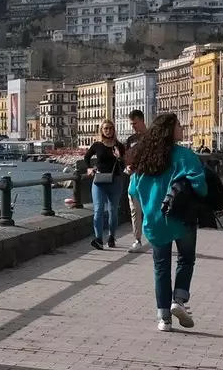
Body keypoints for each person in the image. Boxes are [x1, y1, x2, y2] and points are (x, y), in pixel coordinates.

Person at [125, 113, 210, 331]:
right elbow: (200, 187)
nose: (182, 129)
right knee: (185, 259)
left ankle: (164, 318)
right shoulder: (185, 156)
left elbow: (132, 189)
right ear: (170, 130)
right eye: (179, 126)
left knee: (161, 266)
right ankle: (178, 301)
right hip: (181, 216)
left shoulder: (143, 156)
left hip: (155, 219)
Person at [83, 120, 124, 249]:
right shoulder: (97, 145)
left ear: (114, 130)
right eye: (105, 128)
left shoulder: (119, 146)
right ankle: (99, 239)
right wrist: (89, 168)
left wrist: (119, 157)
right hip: (99, 180)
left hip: (115, 180)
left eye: (110, 128)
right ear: (101, 130)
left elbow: (123, 166)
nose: (108, 130)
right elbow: (86, 157)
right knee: (98, 210)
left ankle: (111, 237)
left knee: (113, 211)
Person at [123, 110, 151, 250]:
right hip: (134, 178)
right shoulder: (131, 140)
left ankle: (153, 237)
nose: (133, 126)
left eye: (135, 123)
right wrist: (127, 166)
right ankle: (137, 240)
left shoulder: (152, 138)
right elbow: (127, 157)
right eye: (131, 123)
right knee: (135, 210)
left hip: (149, 179)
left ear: (142, 120)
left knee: (150, 209)